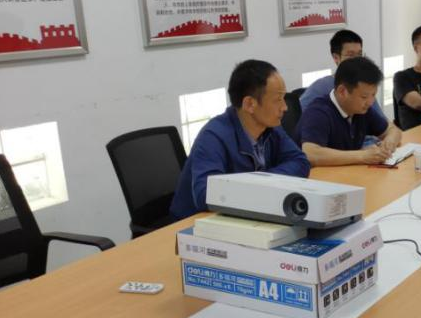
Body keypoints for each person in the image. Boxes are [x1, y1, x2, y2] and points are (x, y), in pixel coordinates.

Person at [169, 60, 310, 220]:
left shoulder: (271, 128)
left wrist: (260, 181)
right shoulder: (213, 136)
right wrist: (264, 183)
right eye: (278, 99)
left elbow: (300, 162)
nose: (285, 107)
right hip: (196, 223)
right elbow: (206, 194)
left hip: (246, 213)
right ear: (249, 104)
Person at [297, 56, 402, 166]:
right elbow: (310, 153)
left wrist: (389, 143)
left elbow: (392, 129)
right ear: (342, 91)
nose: (370, 102)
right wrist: (362, 156)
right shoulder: (318, 112)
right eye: (364, 97)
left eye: (373, 95)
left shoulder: (362, 109)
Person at [299, 29, 365, 109]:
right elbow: (298, 113)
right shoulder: (321, 88)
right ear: (336, 58)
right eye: (351, 55)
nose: (357, 60)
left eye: (359, 54)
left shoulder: (364, 84)